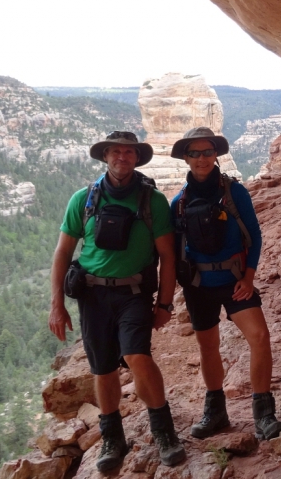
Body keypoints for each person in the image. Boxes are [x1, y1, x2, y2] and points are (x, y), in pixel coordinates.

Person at [48, 131, 185, 471]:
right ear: (105, 156)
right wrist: (56, 304)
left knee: (136, 355)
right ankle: (112, 438)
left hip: (133, 294)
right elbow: (63, 252)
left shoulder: (151, 201)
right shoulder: (84, 199)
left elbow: (168, 256)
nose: (122, 157)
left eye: (129, 152)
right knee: (103, 367)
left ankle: (164, 431)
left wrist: (165, 304)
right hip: (92, 295)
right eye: (116, 152)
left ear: (137, 158)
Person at [170, 127, 281, 440]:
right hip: (199, 285)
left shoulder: (235, 192)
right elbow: (171, 251)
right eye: (194, 153)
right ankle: (216, 412)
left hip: (235, 281)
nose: (202, 158)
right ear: (186, 158)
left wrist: (249, 278)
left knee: (259, 337)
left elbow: (255, 235)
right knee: (208, 347)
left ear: (216, 155)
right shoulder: (178, 203)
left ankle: (264, 414)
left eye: (207, 152)